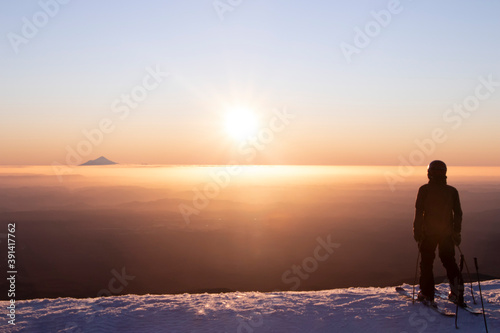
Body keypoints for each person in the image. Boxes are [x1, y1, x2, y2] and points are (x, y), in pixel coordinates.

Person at [413, 160, 464, 305]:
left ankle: (427, 294)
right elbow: (458, 214)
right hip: (447, 234)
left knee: (427, 262)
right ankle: (457, 293)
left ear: (429, 173)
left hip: (428, 234)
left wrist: (417, 232)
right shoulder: (452, 191)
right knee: (449, 262)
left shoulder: (424, 190)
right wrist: (456, 233)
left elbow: (419, 213)